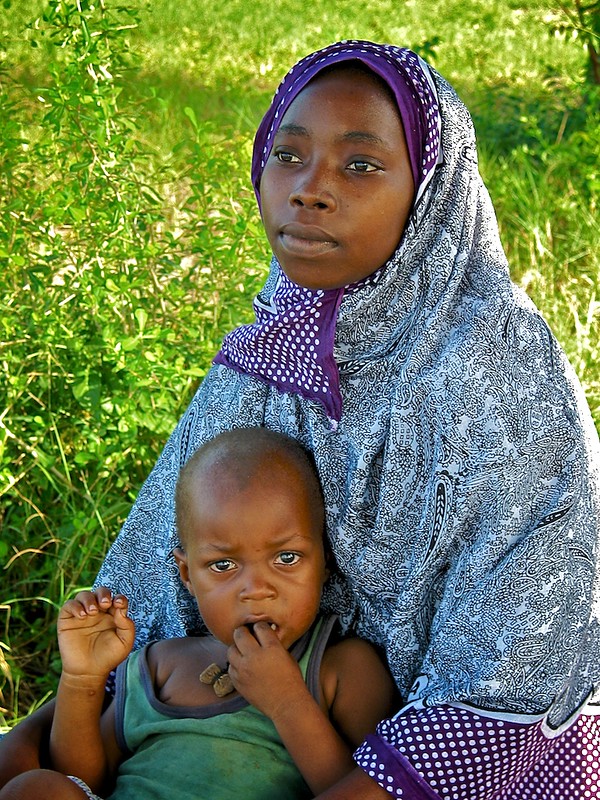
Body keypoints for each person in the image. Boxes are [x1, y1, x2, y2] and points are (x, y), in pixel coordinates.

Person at [1, 39, 599, 799]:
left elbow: (518, 669)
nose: (310, 190)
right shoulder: (272, 346)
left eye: (360, 164)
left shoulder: (501, 368)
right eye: (288, 156)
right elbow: (156, 589)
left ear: (430, 191)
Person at [0, 427, 396, 800]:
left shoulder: (341, 670)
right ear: (187, 574)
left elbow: (366, 790)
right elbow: (85, 780)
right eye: (223, 565)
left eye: (287, 557)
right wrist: (82, 677)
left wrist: (287, 703)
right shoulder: (158, 666)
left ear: (325, 563)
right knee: (35, 789)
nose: (256, 589)